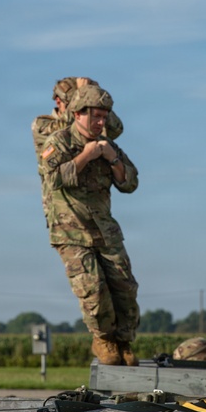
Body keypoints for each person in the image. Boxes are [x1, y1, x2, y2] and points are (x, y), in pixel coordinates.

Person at [38, 84, 140, 366]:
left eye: (104, 117)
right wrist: (86, 156)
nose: (100, 122)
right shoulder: (58, 142)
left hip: (105, 230)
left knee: (125, 287)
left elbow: (130, 182)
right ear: (77, 114)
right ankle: (103, 339)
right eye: (95, 116)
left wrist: (112, 158)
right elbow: (53, 179)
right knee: (93, 289)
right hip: (71, 231)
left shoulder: (108, 145)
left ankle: (123, 341)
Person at [32, 77, 123, 221]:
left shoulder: (91, 126)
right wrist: (82, 94)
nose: (78, 105)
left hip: (92, 202)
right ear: (58, 102)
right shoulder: (42, 124)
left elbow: (116, 129)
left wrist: (98, 99)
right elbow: (66, 127)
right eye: (74, 102)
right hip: (62, 205)